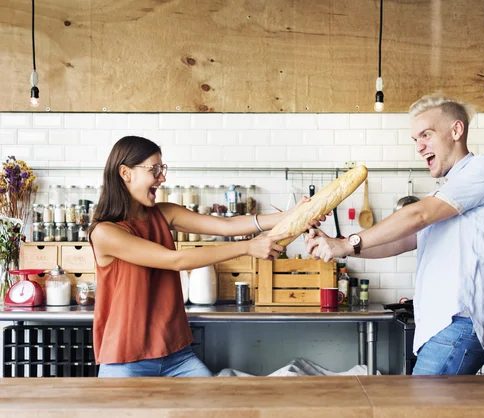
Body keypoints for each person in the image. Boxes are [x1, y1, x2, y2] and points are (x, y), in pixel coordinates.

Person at [305, 94, 484, 375]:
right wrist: (340, 245)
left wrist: (349, 242)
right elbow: (401, 241)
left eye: (426, 135)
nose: (419, 147)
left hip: (457, 326)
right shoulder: (450, 192)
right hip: (445, 329)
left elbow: (417, 215)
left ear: (456, 130)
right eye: (415, 140)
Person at [89, 135, 323, 378]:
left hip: (176, 356)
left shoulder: (163, 213)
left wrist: (293, 215)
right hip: (126, 361)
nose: (162, 177)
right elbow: (174, 260)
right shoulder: (105, 233)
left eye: (162, 169)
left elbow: (226, 225)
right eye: (155, 170)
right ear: (126, 173)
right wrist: (247, 247)